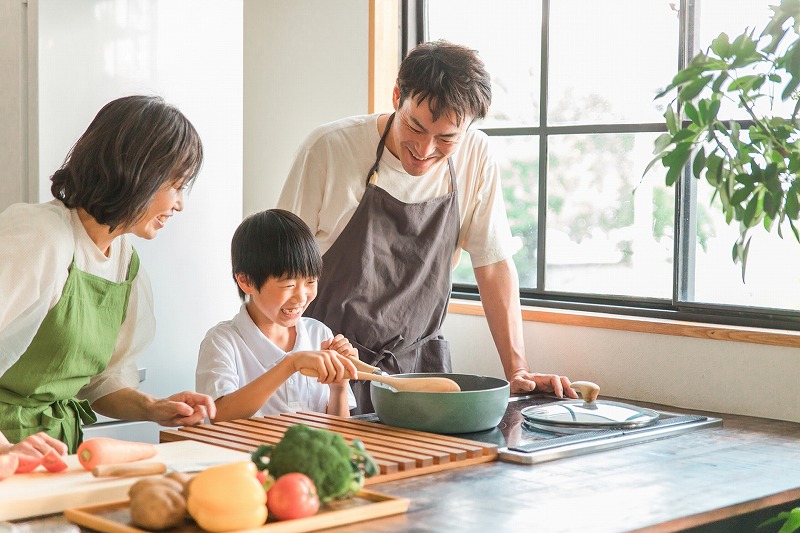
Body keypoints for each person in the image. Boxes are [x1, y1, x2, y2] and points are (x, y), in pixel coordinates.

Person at [278, 40, 577, 413]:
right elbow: (277, 271)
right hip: (326, 370)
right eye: (414, 127)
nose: (424, 149)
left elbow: (493, 263)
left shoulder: (477, 157)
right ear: (396, 96)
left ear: (467, 130)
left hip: (419, 377)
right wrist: (273, 370)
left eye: (446, 138)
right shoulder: (329, 150)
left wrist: (518, 370)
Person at [0, 95, 216, 456]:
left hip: (54, 451)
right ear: (138, 174)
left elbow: (98, 381)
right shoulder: (40, 238)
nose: (180, 204)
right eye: (176, 186)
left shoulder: (123, 262)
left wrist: (152, 408)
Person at [195, 209, 358, 421]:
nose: (300, 297)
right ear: (246, 281)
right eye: (288, 284)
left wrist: (339, 387)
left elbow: (338, 433)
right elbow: (220, 415)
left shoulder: (318, 334)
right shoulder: (222, 342)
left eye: (310, 281)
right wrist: (290, 364)